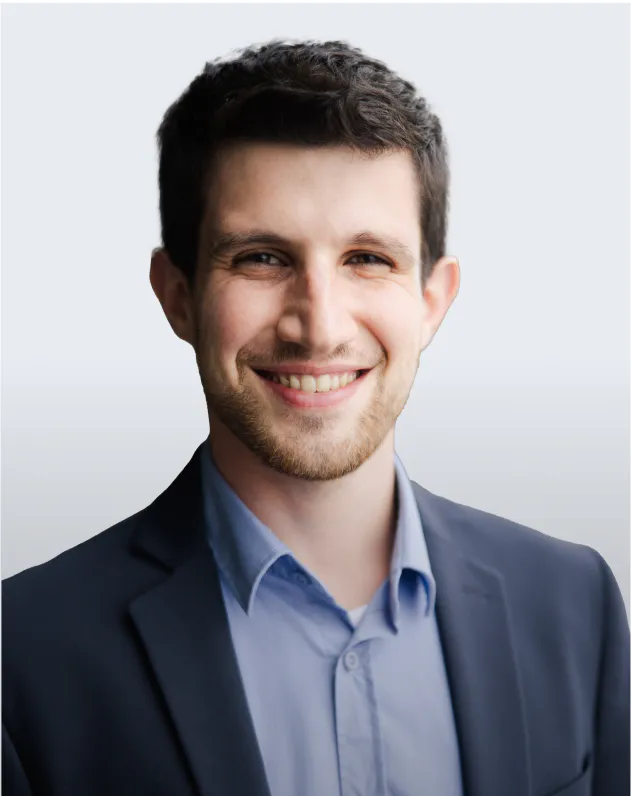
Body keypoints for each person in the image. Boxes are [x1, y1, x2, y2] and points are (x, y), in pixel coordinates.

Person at [2, 39, 628, 796]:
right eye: (262, 258)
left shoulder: (572, 604)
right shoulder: (23, 653)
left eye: (368, 258)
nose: (318, 325)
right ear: (178, 296)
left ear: (432, 299)